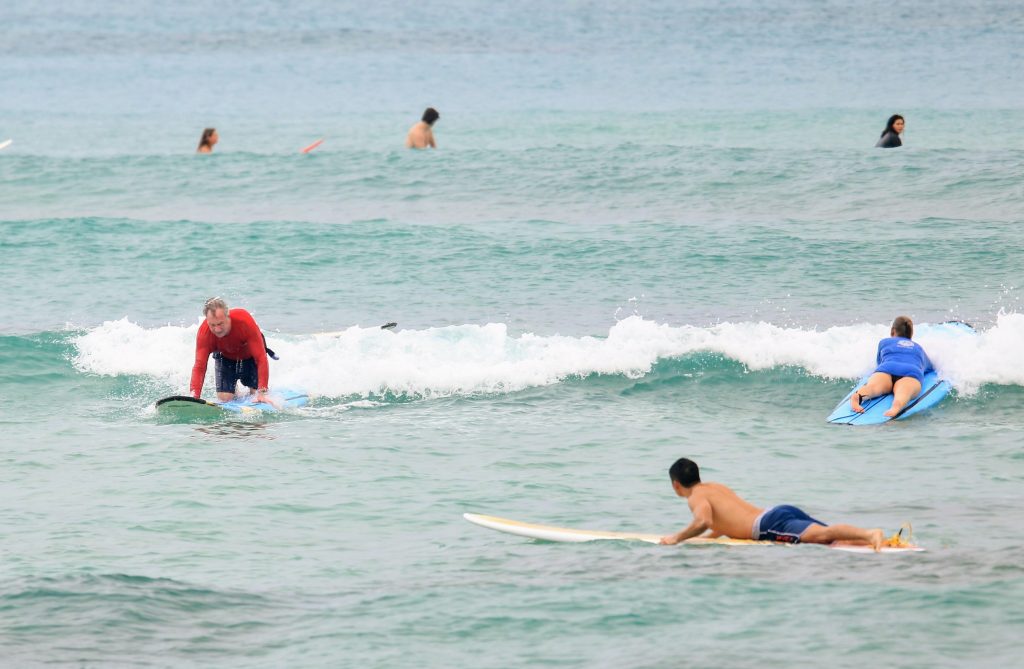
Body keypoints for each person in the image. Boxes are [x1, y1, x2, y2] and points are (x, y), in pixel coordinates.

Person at [659, 458, 884, 550]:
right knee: (831, 539)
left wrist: (676, 539)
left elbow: (704, 521)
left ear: (676, 485)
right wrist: (704, 541)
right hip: (776, 513)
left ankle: (869, 534)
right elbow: (722, 523)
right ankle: (875, 542)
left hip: (768, 526)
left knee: (823, 535)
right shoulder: (714, 487)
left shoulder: (695, 497)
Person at [190, 297, 275, 403]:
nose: (217, 329)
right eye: (212, 325)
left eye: (220, 324)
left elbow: (261, 358)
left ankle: (255, 391)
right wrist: (194, 397)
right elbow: (199, 366)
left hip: (250, 356)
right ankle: (233, 391)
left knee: (255, 393)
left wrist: (262, 393)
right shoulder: (204, 333)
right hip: (225, 357)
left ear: (228, 317)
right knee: (225, 398)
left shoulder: (244, 321)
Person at [850, 315, 933, 417]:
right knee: (903, 393)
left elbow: (879, 362)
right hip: (911, 371)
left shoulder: (884, 342)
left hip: (887, 368)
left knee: (873, 387)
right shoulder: (918, 348)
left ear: (893, 331)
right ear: (911, 334)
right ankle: (896, 407)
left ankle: (858, 397)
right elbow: (928, 367)